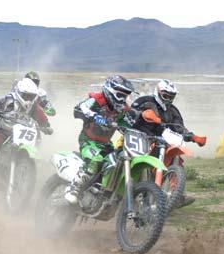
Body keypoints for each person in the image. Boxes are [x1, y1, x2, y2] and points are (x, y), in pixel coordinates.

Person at [126, 79, 206, 207]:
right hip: (136, 137)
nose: (168, 99)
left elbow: (179, 128)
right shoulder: (144, 101)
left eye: (171, 97)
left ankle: (176, 194)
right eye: (166, 96)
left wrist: (192, 136)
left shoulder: (173, 110)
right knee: (121, 156)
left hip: (159, 142)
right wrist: (142, 113)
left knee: (176, 157)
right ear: (158, 92)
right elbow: (129, 116)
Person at [64, 75, 135, 204]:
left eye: (125, 96)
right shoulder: (96, 100)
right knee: (93, 161)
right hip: (88, 140)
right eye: (120, 95)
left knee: (115, 164)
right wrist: (94, 116)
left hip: (106, 144)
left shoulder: (123, 109)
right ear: (110, 91)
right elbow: (78, 109)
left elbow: (128, 124)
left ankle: (103, 193)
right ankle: (74, 188)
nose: (123, 99)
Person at [0, 77, 53, 183]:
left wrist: (46, 126)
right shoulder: (9, 100)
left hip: (23, 132)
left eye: (32, 96)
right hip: (5, 130)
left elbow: (41, 117)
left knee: (34, 144)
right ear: (20, 93)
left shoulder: (34, 106)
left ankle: (23, 170)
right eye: (27, 96)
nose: (29, 98)